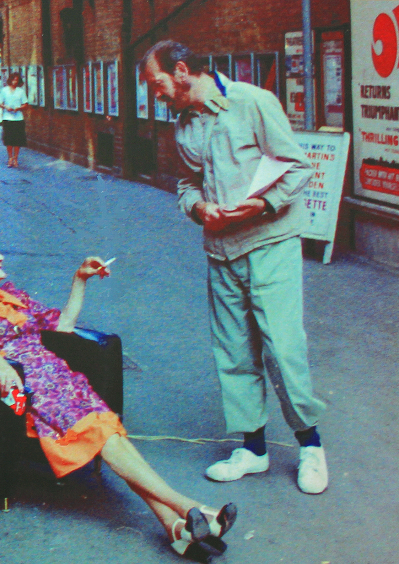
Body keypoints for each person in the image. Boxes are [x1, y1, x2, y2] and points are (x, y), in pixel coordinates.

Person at [0, 228, 235, 562]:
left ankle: (174, 527)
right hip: (34, 393)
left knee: (108, 431)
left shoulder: (9, 293)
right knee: (104, 434)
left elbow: (63, 326)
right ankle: (191, 507)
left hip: (63, 382)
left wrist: (80, 279)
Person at [141, 40, 329, 494]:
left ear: (182, 71)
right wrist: (198, 207)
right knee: (234, 351)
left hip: (270, 242)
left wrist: (260, 205)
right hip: (220, 252)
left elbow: (299, 168)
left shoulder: (253, 103)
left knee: (282, 348)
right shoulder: (183, 125)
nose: (156, 95)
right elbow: (187, 183)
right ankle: (253, 450)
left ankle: (311, 446)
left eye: (159, 84)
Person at [0, 72, 27, 168]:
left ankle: (16, 158)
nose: (15, 82)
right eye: (13, 80)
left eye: (17, 80)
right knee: (9, 139)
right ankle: (10, 157)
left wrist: (19, 108)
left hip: (18, 118)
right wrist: (5, 107)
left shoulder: (20, 91)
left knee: (17, 140)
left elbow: (25, 104)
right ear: (10, 80)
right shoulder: (4, 90)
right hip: (7, 117)